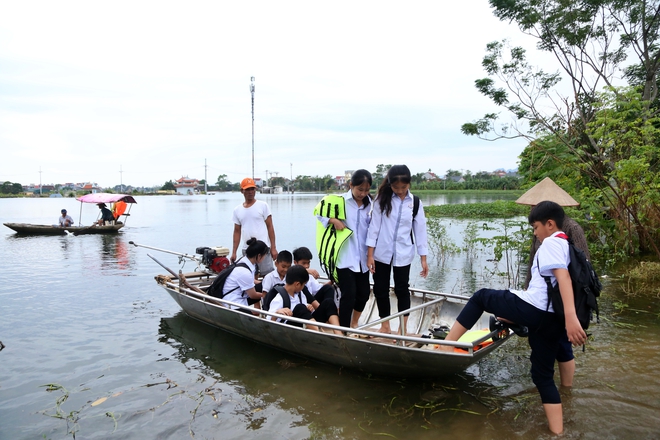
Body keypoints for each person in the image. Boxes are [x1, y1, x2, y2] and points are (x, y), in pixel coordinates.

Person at [442, 201, 587, 435]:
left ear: (549, 224)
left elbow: (564, 280)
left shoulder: (550, 243)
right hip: (552, 318)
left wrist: (571, 318)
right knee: (542, 377)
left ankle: (447, 346)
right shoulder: (567, 243)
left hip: (539, 310)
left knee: (480, 297)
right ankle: (558, 430)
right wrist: (567, 319)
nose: (535, 232)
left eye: (536, 227)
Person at [366, 165, 429, 334]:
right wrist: (370, 254)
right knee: (380, 288)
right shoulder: (382, 199)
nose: (400, 191)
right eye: (396, 187)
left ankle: (403, 327)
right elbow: (374, 228)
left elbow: (420, 230)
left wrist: (423, 258)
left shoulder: (415, 203)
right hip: (381, 252)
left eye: (404, 187)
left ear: (409, 184)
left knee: (402, 289)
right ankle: (385, 325)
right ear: (390, 184)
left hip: (404, 252)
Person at [317, 169, 373, 328]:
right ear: (351, 185)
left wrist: (371, 255)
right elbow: (319, 213)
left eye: (367, 190)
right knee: (348, 295)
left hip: (362, 258)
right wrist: (333, 220)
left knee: (363, 294)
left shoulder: (371, 205)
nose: (363, 193)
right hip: (344, 257)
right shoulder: (338, 201)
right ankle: (344, 329)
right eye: (360, 189)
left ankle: (354, 322)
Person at [517, 177, 590, 289]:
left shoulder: (573, 228)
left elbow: (584, 264)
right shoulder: (539, 229)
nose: (532, 210)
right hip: (543, 291)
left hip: (565, 291)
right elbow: (533, 261)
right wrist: (527, 288)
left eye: (536, 207)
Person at [268, 265, 343, 335]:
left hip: (305, 323)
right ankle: (321, 334)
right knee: (300, 307)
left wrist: (309, 307)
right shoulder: (279, 299)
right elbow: (268, 322)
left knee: (328, 302)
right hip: (288, 329)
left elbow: (306, 310)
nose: (303, 287)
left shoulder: (300, 294)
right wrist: (277, 313)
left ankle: (338, 334)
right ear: (297, 284)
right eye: (303, 285)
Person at [231, 177, 278, 277]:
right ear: (242, 191)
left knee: (268, 275)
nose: (250, 192)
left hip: (263, 248)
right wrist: (234, 252)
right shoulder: (237, 210)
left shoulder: (263, 205)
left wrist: (273, 248)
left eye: (252, 189)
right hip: (247, 249)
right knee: (249, 275)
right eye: (247, 189)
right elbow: (237, 231)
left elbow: (270, 227)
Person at [222, 238, 270, 311]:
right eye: (264, 256)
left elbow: (251, 280)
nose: (264, 258)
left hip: (238, 293)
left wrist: (266, 284)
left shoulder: (245, 260)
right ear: (259, 256)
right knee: (267, 293)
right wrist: (268, 295)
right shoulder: (244, 272)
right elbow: (253, 295)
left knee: (263, 286)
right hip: (233, 302)